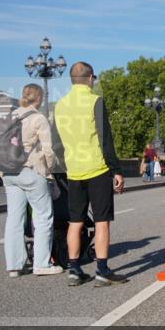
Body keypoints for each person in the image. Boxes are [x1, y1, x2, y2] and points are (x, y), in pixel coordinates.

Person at [54, 62, 128, 287]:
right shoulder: (96, 101)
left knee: (75, 222)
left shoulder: (60, 105)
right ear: (89, 78)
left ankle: (74, 270)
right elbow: (105, 139)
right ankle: (102, 271)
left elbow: (57, 142)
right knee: (101, 221)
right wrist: (116, 170)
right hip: (97, 169)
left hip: (73, 171)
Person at [0, 84, 62, 277]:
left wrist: (2, 173)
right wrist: (50, 169)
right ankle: (41, 264)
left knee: (14, 218)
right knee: (43, 217)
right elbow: (48, 150)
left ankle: (14, 266)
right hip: (31, 171)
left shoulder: (10, 117)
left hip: (9, 173)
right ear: (40, 98)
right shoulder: (38, 118)